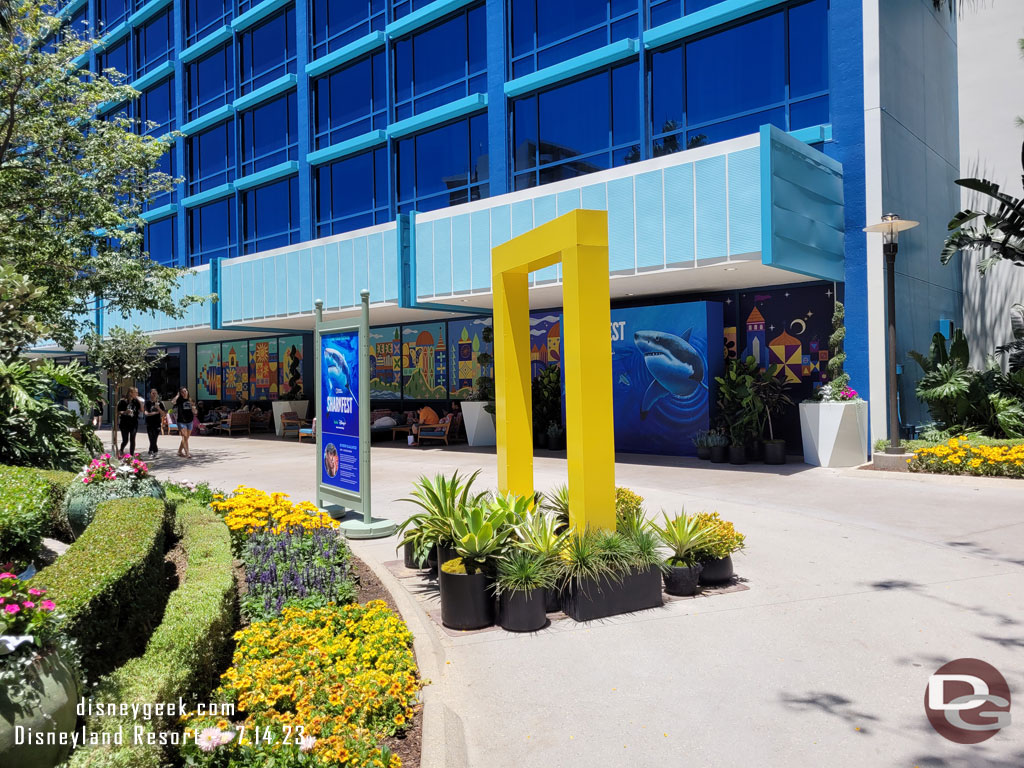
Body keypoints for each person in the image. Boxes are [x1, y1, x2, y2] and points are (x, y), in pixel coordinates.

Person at [116, 387, 143, 457]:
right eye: (135, 392)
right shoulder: (123, 401)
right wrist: (125, 412)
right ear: (131, 393)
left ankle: (131, 455)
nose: (137, 394)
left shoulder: (136, 401)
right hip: (124, 423)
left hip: (133, 423)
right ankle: (121, 449)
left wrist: (139, 401)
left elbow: (142, 410)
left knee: (133, 438)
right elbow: (118, 412)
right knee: (125, 440)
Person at [171, 387, 195, 458]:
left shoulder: (190, 400)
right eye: (182, 392)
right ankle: (187, 453)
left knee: (186, 438)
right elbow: (173, 402)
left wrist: (194, 410)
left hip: (190, 421)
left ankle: (179, 452)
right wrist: (177, 396)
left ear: (187, 391)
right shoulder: (179, 400)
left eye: (185, 391)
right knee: (184, 436)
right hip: (181, 421)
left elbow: (194, 410)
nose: (184, 393)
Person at [144, 389, 166, 458]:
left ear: (157, 395)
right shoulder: (147, 403)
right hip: (149, 423)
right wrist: (154, 413)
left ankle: (151, 451)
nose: (154, 395)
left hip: (157, 423)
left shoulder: (160, 403)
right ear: (150, 394)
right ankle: (154, 451)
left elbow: (163, 414)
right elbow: (146, 413)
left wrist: (158, 408)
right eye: (153, 393)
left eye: (155, 393)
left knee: (155, 438)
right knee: (151, 438)